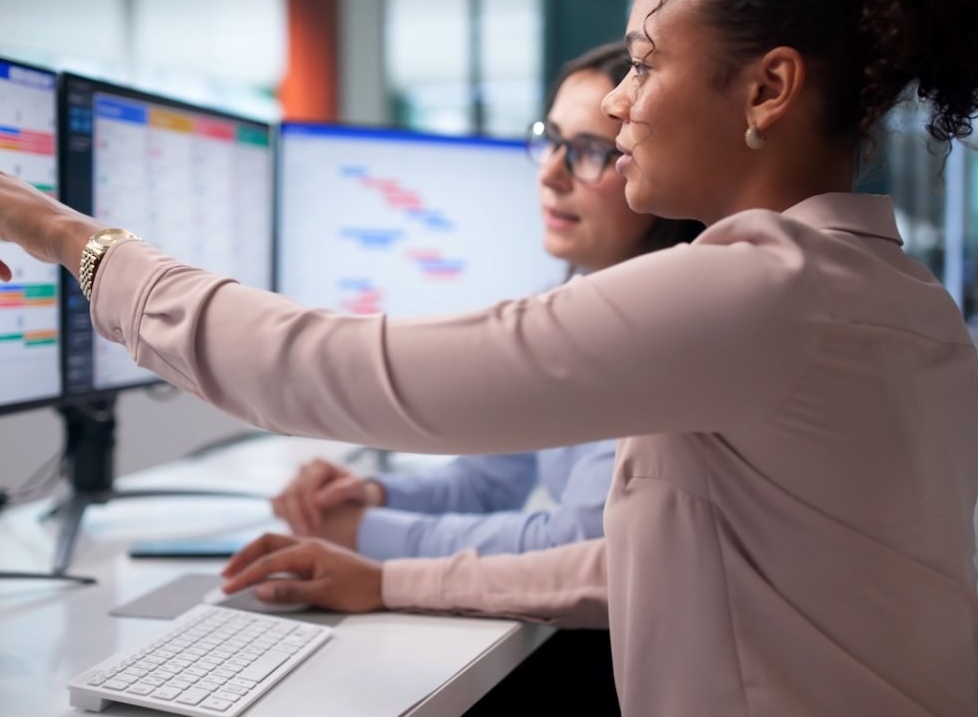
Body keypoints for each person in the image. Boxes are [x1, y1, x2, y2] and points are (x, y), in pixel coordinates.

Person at [0, 0, 978, 713]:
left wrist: (80, 243)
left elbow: (343, 371)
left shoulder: (765, 291)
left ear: (767, 89)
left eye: (643, 63)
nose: (622, 100)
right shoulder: (877, 285)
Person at [273, 42, 704, 568]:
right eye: (552, 140)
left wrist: (369, 535)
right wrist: (370, 497)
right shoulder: (565, 304)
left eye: (591, 150)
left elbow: (586, 538)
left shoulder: (670, 330)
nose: (549, 174)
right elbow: (489, 481)